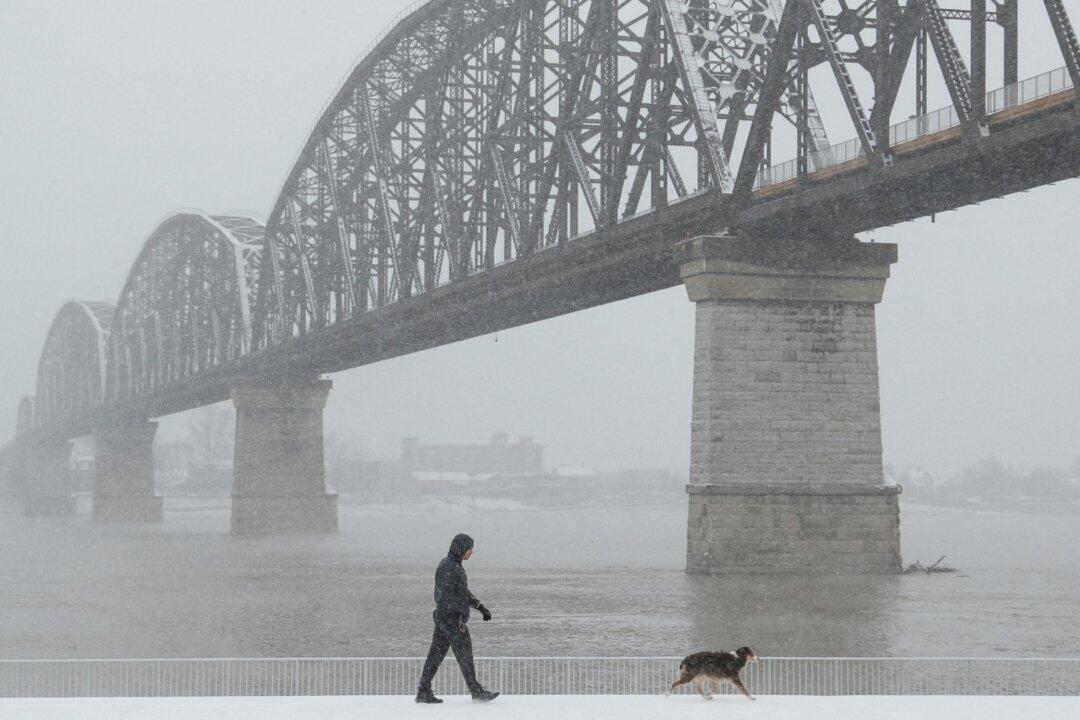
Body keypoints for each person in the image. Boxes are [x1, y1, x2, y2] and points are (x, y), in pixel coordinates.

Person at [416, 533, 500, 703]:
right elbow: (448, 596)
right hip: (452, 620)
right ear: (461, 547)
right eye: (469, 548)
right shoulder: (450, 567)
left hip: (443, 618)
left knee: (435, 655)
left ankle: (423, 691)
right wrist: (458, 618)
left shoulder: (452, 565)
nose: (471, 552)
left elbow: (462, 593)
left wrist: (480, 607)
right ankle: (476, 691)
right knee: (465, 655)